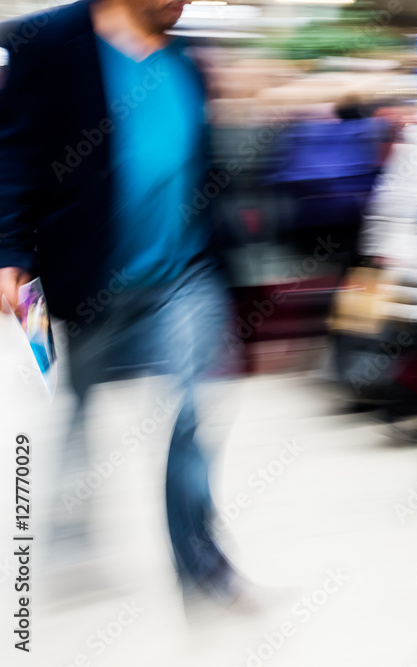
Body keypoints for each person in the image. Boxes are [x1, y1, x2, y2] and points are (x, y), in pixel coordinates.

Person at [0, 0, 246, 606]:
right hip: (93, 274)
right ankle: (67, 536)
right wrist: (11, 251)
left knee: (192, 409)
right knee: (80, 402)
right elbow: (16, 153)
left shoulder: (184, 53)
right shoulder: (50, 41)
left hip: (186, 274)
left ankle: (202, 566)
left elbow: (202, 163)